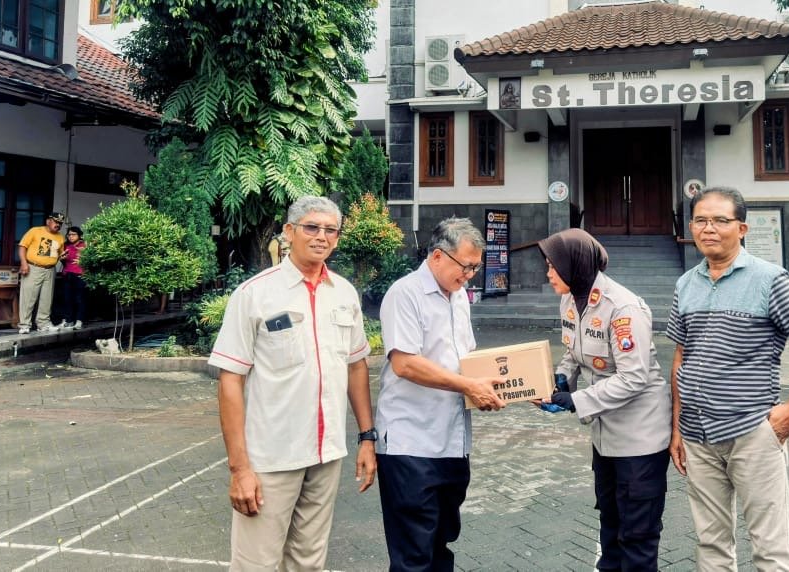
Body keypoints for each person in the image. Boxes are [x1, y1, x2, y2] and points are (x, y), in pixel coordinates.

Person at [666, 187, 789, 571]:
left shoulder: (769, 280)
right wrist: (676, 427)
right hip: (697, 435)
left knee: (770, 548)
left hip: (753, 432)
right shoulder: (686, 284)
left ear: (742, 228)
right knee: (711, 542)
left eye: (720, 221)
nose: (709, 229)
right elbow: (681, 357)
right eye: (700, 220)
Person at [208, 195, 375, 571]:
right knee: (256, 564)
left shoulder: (344, 293)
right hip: (271, 458)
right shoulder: (255, 294)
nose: (322, 237)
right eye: (312, 227)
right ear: (289, 232)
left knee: (308, 562)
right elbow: (230, 379)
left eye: (331, 230)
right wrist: (240, 469)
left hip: (326, 455)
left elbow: (356, 367)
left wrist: (367, 437)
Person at [375, 217, 506, 571]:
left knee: (441, 545)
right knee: (413, 555)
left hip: (453, 442)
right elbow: (405, 364)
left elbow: (466, 360)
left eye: (475, 268)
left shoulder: (459, 297)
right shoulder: (405, 294)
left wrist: (512, 385)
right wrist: (468, 386)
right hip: (411, 444)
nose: (470, 276)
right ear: (437, 256)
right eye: (466, 266)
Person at [538, 228, 672, 571]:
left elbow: (633, 377)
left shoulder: (623, 308)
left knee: (637, 534)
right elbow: (573, 353)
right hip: (605, 435)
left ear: (575, 264)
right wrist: (560, 380)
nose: (548, 273)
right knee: (610, 523)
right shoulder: (570, 299)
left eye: (553, 266)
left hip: (639, 437)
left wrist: (575, 400)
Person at [17, 212, 67, 334]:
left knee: (47, 298)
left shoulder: (60, 237)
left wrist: (62, 257)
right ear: (48, 221)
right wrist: (24, 263)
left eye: (60, 223)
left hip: (50, 269)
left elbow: (59, 253)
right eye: (56, 222)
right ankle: (24, 325)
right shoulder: (35, 231)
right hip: (33, 267)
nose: (58, 225)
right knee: (28, 297)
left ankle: (43, 323)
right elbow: (22, 246)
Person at [56, 226, 87, 330]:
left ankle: (79, 321)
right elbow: (64, 262)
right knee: (67, 298)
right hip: (67, 274)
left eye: (73, 234)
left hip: (80, 274)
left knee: (80, 299)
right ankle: (68, 321)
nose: (71, 237)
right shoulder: (66, 245)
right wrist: (62, 259)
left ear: (79, 235)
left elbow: (89, 261)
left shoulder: (84, 245)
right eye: (69, 235)